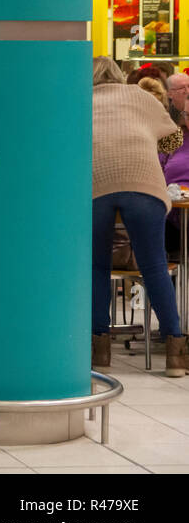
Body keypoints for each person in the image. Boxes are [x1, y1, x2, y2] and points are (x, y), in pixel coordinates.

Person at [92, 56, 187, 376]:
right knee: (155, 266)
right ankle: (175, 351)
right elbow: (173, 138)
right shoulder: (141, 96)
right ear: (118, 75)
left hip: (95, 184)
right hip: (143, 181)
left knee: (97, 267)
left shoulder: (79, 99)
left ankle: (99, 351)